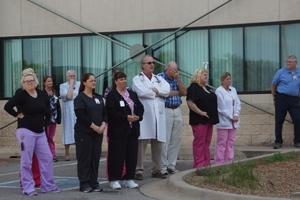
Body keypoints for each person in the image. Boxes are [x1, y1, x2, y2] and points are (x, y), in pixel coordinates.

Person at [4, 73, 61, 196]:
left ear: (36, 82)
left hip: (40, 132)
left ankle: (48, 185)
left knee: (47, 158)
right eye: (26, 81)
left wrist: (45, 122)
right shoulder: (21, 95)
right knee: (27, 161)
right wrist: (17, 115)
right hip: (26, 131)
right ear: (23, 84)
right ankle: (28, 187)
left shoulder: (41, 94)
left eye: (31, 80)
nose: (29, 83)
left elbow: (47, 111)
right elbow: (7, 106)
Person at [132, 55, 170, 180]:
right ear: (142, 65)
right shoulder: (137, 79)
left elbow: (167, 91)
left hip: (158, 116)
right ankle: (138, 170)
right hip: (145, 116)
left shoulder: (159, 79)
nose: (151, 65)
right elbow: (142, 92)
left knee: (158, 145)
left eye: (153, 62)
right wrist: (157, 93)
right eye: (149, 63)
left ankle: (157, 169)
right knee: (140, 145)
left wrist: (156, 91)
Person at [106, 72, 144, 189]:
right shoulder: (112, 95)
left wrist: (138, 116)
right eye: (121, 79)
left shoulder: (132, 94)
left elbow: (140, 107)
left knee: (132, 155)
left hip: (132, 130)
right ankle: (114, 179)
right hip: (118, 131)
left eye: (124, 79)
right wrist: (125, 117)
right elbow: (111, 111)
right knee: (117, 155)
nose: (123, 81)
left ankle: (129, 178)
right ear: (116, 81)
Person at [74, 73, 107, 193]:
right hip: (84, 132)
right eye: (91, 81)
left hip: (98, 133)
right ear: (84, 83)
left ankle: (94, 182)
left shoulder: (98, 98)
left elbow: (105, 113)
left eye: (95, 80)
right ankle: (85, 183)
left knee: (95, 158)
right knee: (85, 158)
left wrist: (103, 125)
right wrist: (94, 126)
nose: (94, 82)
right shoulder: (80, 98)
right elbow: (80, 115)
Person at [157, 61, 187, 175]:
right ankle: (163, 167)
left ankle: (171, 165)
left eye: (176, 70)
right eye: (172, 71)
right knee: (165, 139)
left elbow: (184, 92)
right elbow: (161, 93)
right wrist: (175, 92)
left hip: (177, 109)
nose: (173, 73)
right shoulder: (159, 77)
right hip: (166, 109)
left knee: (176, 139)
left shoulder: (178, 78)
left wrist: (178, 79)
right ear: (167, 68)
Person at [186, 68, 219, 168]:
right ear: (198, 75)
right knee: (199, 142)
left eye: (206, 75)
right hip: (199, 119)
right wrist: (200, 112)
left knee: (207, 142)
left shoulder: (207, 88)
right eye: (204, 74)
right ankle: (199, 164)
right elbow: (190, 102)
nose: (206, 76)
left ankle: (206, 163)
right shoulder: (193, 88)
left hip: (209, 119)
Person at [17, 68, 41, 188]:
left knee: (37, 156)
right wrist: (19, 114)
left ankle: (37, 178)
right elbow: (16, 107)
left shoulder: (38, 92)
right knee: (27, 156)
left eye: (30, 75)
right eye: (25, 75)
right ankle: (24, 180)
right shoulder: (20, 93)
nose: (29, 78)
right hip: (26, 127)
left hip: (38, 126)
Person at [103, 67, 128, 179]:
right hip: (114, 123)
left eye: (123, 76)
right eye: (118, 76)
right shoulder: (109, 91)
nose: (121, 80)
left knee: (126, 150)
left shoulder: (129, 90)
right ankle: (112, 173)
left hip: (127, 123)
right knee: (114, 150)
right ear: (114, 78)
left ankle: (125, 171)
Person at [271, 55, 300, 149]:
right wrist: (274, 97)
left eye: (290, 62)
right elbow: (273, 84)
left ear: (295, 63)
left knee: (298, 119)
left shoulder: (299, 72)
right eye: (287, 61)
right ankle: (278, 142)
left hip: (294, 99)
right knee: (279, 120)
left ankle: (297, 141)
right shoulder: (281, 72)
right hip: (281, 98)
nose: (288, 63)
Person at [214, 72, 241, 164]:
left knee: (230, 142)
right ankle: (219, 162)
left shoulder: (233, 90)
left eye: (230, 79)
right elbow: (221, 108)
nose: (229, 81)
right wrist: (230, 117)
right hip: (224, 121)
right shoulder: (219, 91)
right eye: (227, 79)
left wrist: (236, 114)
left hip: (234, 121)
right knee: (222, 142)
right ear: (222, 80)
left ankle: (229, 160)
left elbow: (237, 103)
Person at [59, 70, 80, 161]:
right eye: (70, 76)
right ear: (67, 77)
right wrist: (71, 85)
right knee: (68, 129)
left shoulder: (80, 84)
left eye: (73, 76)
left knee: (78, 129)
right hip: (68, 109)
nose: (72, 78)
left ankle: (78, 152)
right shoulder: (63, 86)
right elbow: (69, 97)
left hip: (78, 108)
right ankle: (67, 153)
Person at [43, 75, 61, 162]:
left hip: (54, 117)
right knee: (45, 136)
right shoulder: (42, 93)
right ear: (44, 83)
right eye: (48, 81)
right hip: (46, 118)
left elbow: (57, 105)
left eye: (51, 81)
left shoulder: (55, 92)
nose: (50, 83)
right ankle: (47, 154)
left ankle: (53, 154)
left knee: (51, 137)